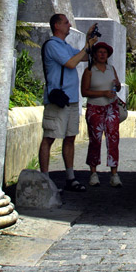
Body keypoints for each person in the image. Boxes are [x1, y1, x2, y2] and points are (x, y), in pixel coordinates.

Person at [39, 14, 98, 191]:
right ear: (57, 26)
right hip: (57, 99)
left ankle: (70, 177)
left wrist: (88, 40)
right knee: (49, 137)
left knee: (70, 137)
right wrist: (87, 46)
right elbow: (71, 63)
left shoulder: (64, 45)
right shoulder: (52, 45)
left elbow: (83, 57)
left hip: (71, 99)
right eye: (66, 22)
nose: (69, 25)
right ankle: (44, 179)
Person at [81, 42, 122, 188]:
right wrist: (102, 93)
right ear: (95, 54)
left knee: (113, 140)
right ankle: (93, 172)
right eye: (100, 52)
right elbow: (84, 92)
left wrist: (117, 85)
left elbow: (118, 86)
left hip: (111, 108)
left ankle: (114, 174)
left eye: (105, 52)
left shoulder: (112, 69)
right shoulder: (89, 71)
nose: (103, 54)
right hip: (95, 108)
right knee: (95, 140)